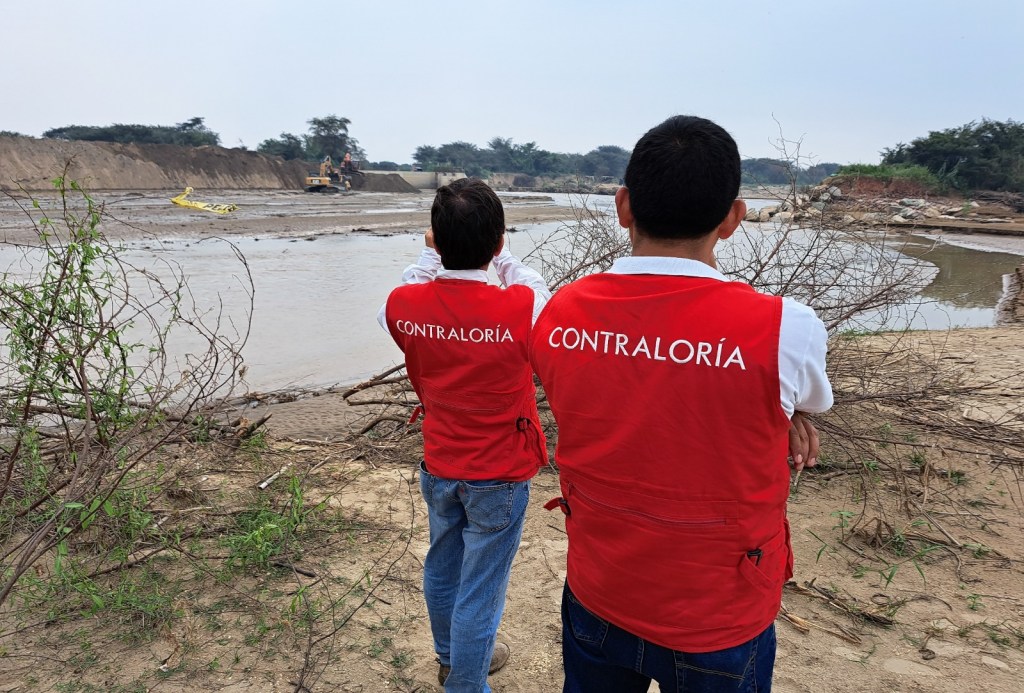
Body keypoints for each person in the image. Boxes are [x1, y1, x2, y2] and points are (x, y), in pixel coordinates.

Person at [529, 115, 833, 692]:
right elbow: (808, 398)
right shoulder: (783, 329)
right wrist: (790, 414)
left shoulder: (558, 314)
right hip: (718, 614)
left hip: (600, 590)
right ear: (734, 219)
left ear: (623, 207)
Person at [377, 178, 551, 692]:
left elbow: (415, 279)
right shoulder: (522, 308)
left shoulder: (403, 306)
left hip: (441, 462)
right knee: (481, 588)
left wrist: (433, 255)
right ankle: (466, 683)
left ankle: (453, 656)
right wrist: (502, 255)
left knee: (444, 565)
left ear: (436, 239)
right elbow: (532, 282)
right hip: (500, 471)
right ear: (498, 244)